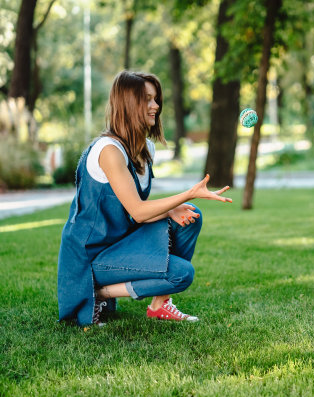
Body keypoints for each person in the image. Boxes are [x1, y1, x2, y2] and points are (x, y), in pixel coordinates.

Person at [57, 71, 232, 327]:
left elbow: (130, 212)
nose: (156, 106)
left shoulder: (145, 149)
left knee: (190, 215)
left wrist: (172, 210)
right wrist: (188, 192)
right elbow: (138, 212)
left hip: (120, 243)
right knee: (181, 274)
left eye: (156, 99)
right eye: (148, 99)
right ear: (128, 103)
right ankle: (97, 292)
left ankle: (160, 306)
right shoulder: (108, 151)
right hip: (91, 258)